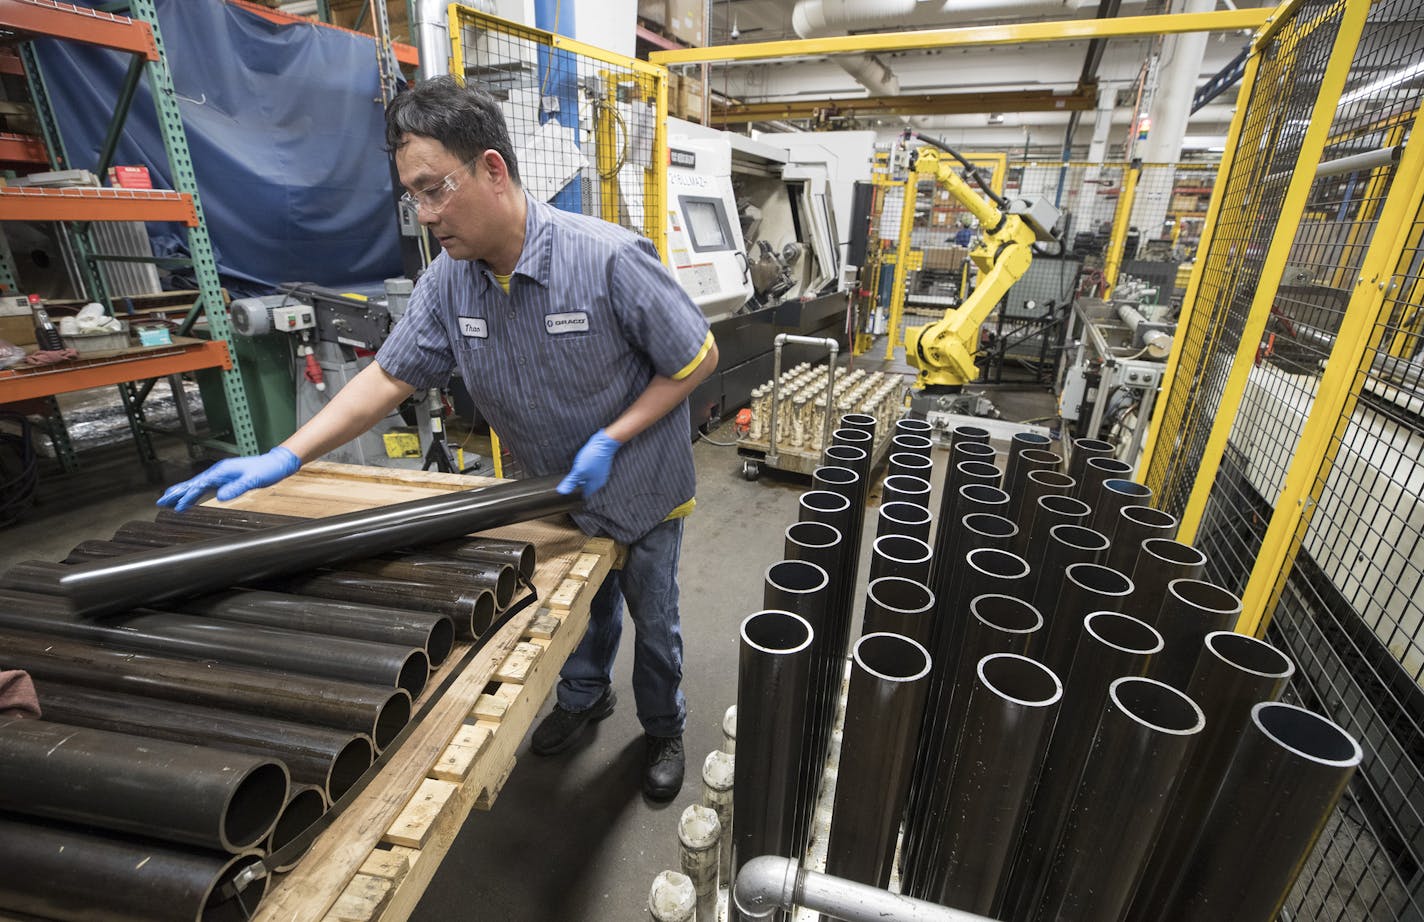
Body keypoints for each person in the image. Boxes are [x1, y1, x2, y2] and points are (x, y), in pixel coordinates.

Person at [157, 76, 718, 801]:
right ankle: (584, 700)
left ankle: (663, 727)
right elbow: (386, 379)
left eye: (435, 190)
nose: (425, 216)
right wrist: (286, 455)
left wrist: (615, 435)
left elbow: (696, 357)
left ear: (491, 168)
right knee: (582, 613)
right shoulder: (450, 283)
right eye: (412, 198)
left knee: (655, 621)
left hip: (643, 486)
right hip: (554, 490)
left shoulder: (604, 258)